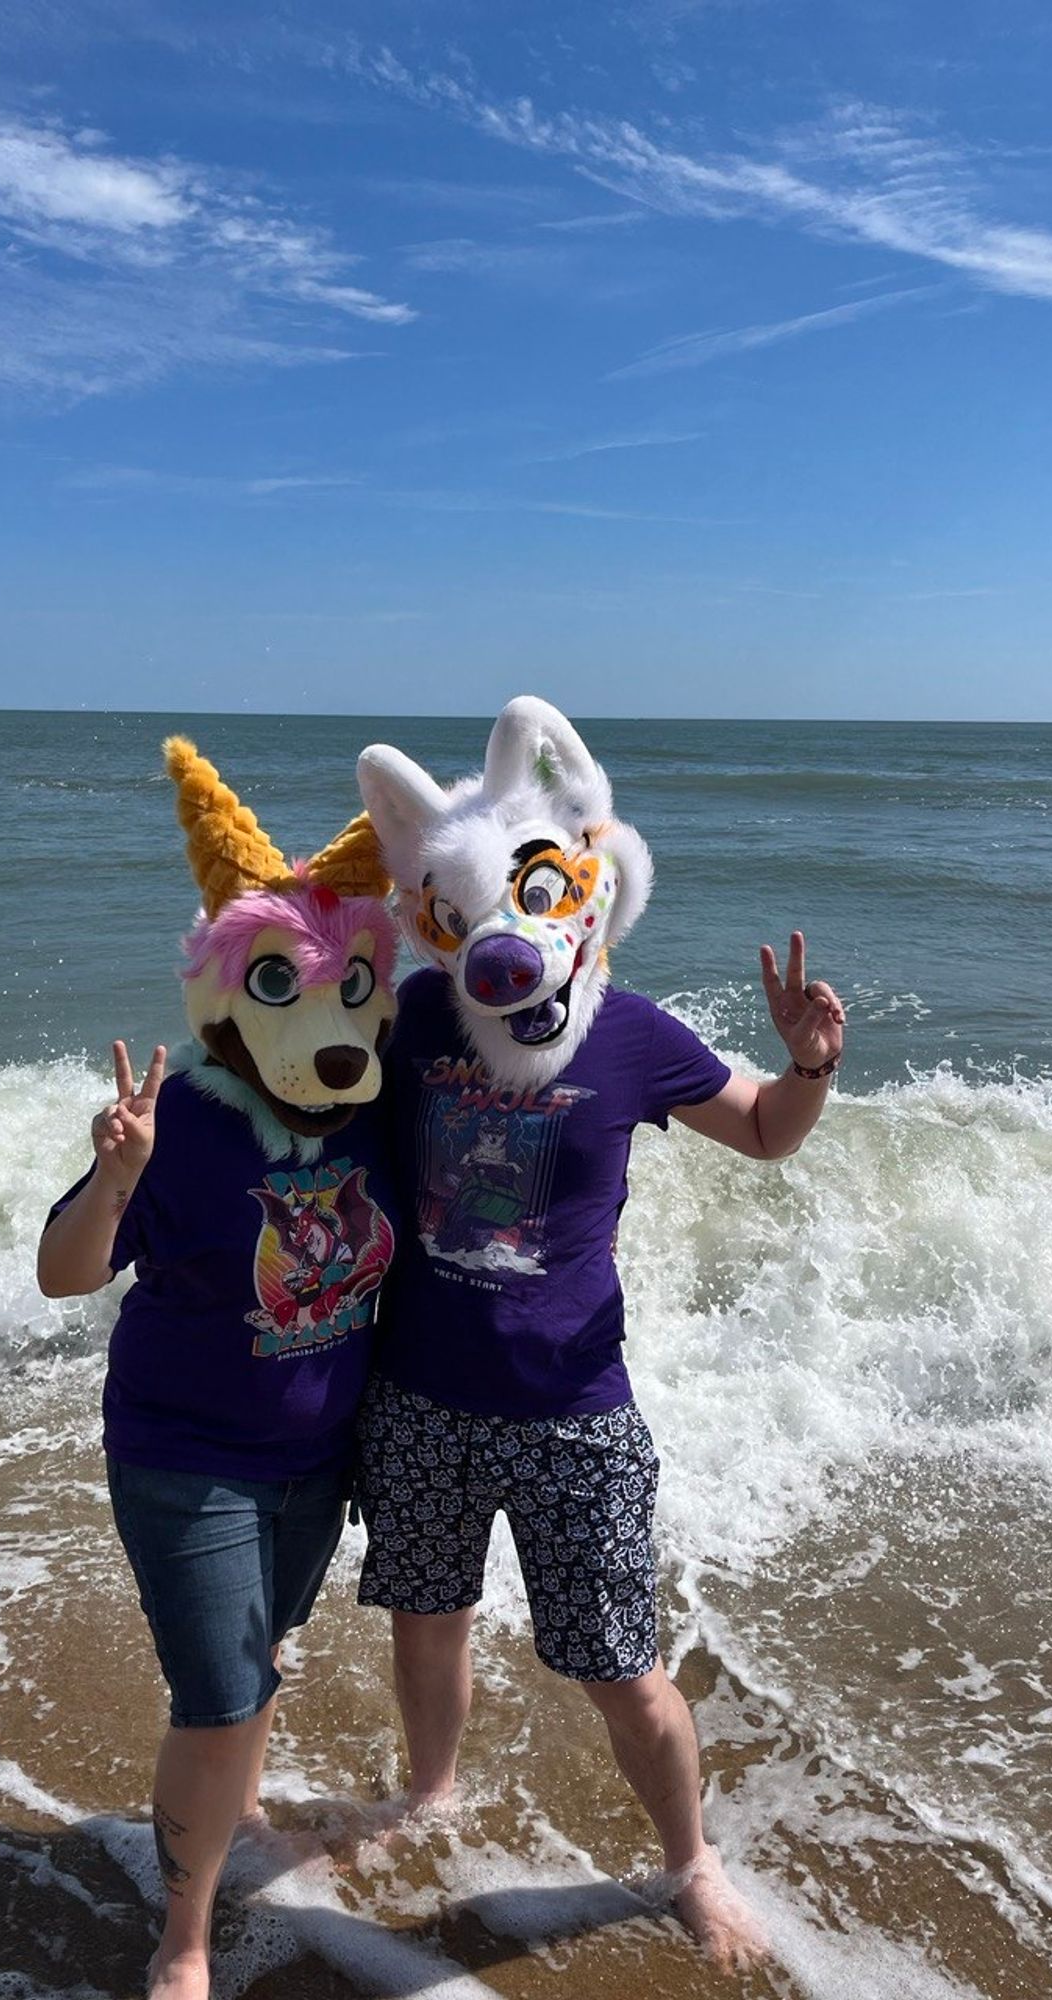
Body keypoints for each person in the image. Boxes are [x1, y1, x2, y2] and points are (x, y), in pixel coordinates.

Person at [355, 697, 847, 1971]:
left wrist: (807, 1068)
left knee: (622, 1666)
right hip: (420, 1393)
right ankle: (431, 1792)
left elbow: (762, 1132)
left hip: (576, 1404)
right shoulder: (419, 1015)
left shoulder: (631, 1034)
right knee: (427, 1620)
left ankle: (691, 1860)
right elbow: (309, 1068)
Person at [38, 736, 398, 2000]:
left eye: (354, 986)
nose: (334, 1028)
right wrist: (118, 1173)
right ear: (225, 990)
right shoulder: (179, 1121)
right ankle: (181, 1938)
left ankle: (227, 1808)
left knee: (257, 1663)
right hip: (184, 1452)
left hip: (318, 1459)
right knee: (220, 1693)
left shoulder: (380, 1101)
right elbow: (65, 1275)